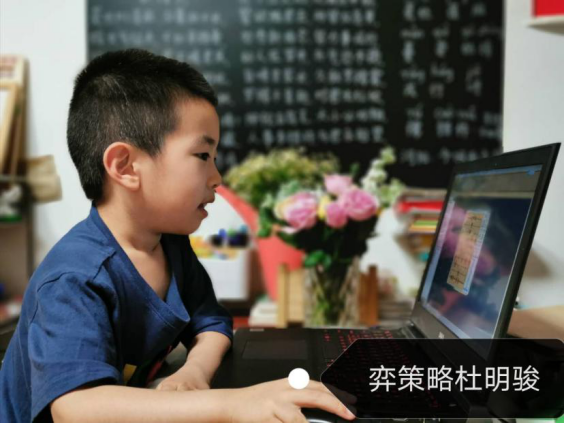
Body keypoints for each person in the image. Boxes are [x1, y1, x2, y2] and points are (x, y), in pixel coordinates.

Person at [0, 49, 355, 423]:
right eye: (203, 155)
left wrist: (194, 372)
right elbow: (76, 409)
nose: (217, 178)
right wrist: (233, 405)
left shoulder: (170, 245)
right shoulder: (74, 279)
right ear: (125, 166)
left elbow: (212, 322)